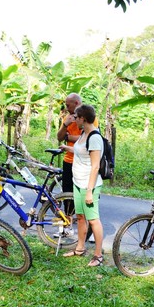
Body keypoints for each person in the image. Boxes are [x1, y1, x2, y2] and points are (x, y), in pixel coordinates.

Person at [59, 104, 104, 267]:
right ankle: (80, 248)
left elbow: (95, 166)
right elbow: (80, 151)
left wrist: (90, 191)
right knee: (80, 217)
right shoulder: (84, 133)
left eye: (76, 117)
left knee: (93, 220)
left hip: (88, 185)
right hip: (77, 182)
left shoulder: (94, 137)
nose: (74, 119)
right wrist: (66, 148)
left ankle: (98, 255)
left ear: (83, 118)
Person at [56, 93, 93, 240]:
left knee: (83, 197)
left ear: (76, 103)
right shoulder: (68, 118)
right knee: (67, 195)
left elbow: (90, 136)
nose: (66, 107)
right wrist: (65, 125)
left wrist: (69, 137)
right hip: (68, 160)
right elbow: (59, 137)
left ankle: (89, 229)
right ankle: (67, 226)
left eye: (68, 104)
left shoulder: (89, 116)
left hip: (83, 162)